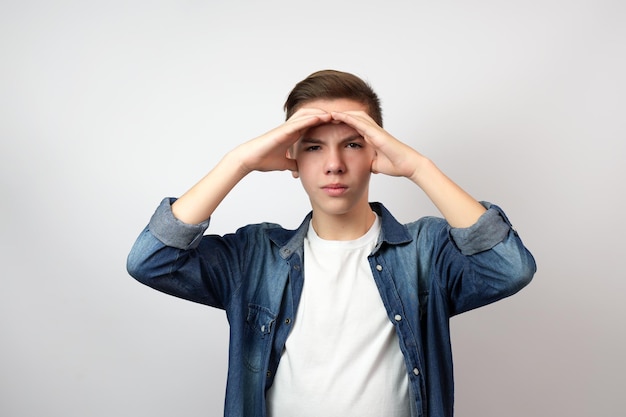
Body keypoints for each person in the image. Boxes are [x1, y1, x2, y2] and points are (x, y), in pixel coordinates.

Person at [127, 69, 536, 417]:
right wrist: (239, 163)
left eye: (353, 144)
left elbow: (509, 267)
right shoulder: (256, 256)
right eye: (314, 146)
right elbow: (151, 261)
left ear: (376, 150)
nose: (334, 164)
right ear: (293, 158)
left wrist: (417, 167)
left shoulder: (424, 250)